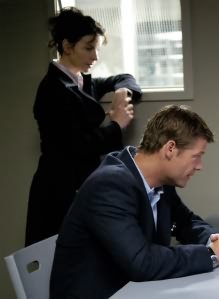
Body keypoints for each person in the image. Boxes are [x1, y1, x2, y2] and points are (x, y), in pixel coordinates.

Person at [50, 105, 219, 299]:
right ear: (170, 148)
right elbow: (142, 262)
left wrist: (217, 239)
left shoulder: (160, 182)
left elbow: (186, 222)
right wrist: (211, 254)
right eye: (196, 157)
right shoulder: (109, 185)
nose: (199, 166)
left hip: (133, 289)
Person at [26, 7, 142, 246]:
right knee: (59, 255)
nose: (95, 57)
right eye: (88, 48)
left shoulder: (79, 81)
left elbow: (124, 77)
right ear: (67, 46)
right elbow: (76, 146)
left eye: (96, 49)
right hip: (58, 188)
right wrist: (116, 125)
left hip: (78, 183)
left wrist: (122, 91)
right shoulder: (52, 90)